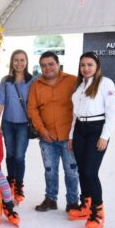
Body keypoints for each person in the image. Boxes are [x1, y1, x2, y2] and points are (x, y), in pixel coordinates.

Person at [67, 52, 115, 228]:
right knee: (82, 170)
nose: (86, 68)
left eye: (89, 65)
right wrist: (72, 135)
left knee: (90, 171)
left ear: (97, 66)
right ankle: (86, 205)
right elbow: (75, 115)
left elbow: (111, 112)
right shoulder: (80, 86)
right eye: (82, 65)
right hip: (80, 130)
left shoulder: (106, 83)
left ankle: (98, 211)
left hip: (97, 130)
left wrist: (105, 136)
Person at [28, 51, 79, 212]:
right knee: (50, 171)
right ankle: (50, 199)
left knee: (71, 172)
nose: (47, 68)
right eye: (43, 65)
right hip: (46, 138)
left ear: (58, 64)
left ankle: (72, 202)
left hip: (69, 137)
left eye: (51, 64)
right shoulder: (36, 85)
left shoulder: (73, 81)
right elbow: (32, 110)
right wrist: (42, 130)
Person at [0, 49, 34, 204]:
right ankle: (10, 181)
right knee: (10, 154)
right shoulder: (6, 80)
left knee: (19, 155)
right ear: (11, 62)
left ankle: (19, 185)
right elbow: (1, 101)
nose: (19, 63)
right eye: (16, 60)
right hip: (8, 123)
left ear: (26, 62)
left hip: (24, 124)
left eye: (22, 60)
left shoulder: (33, 80)